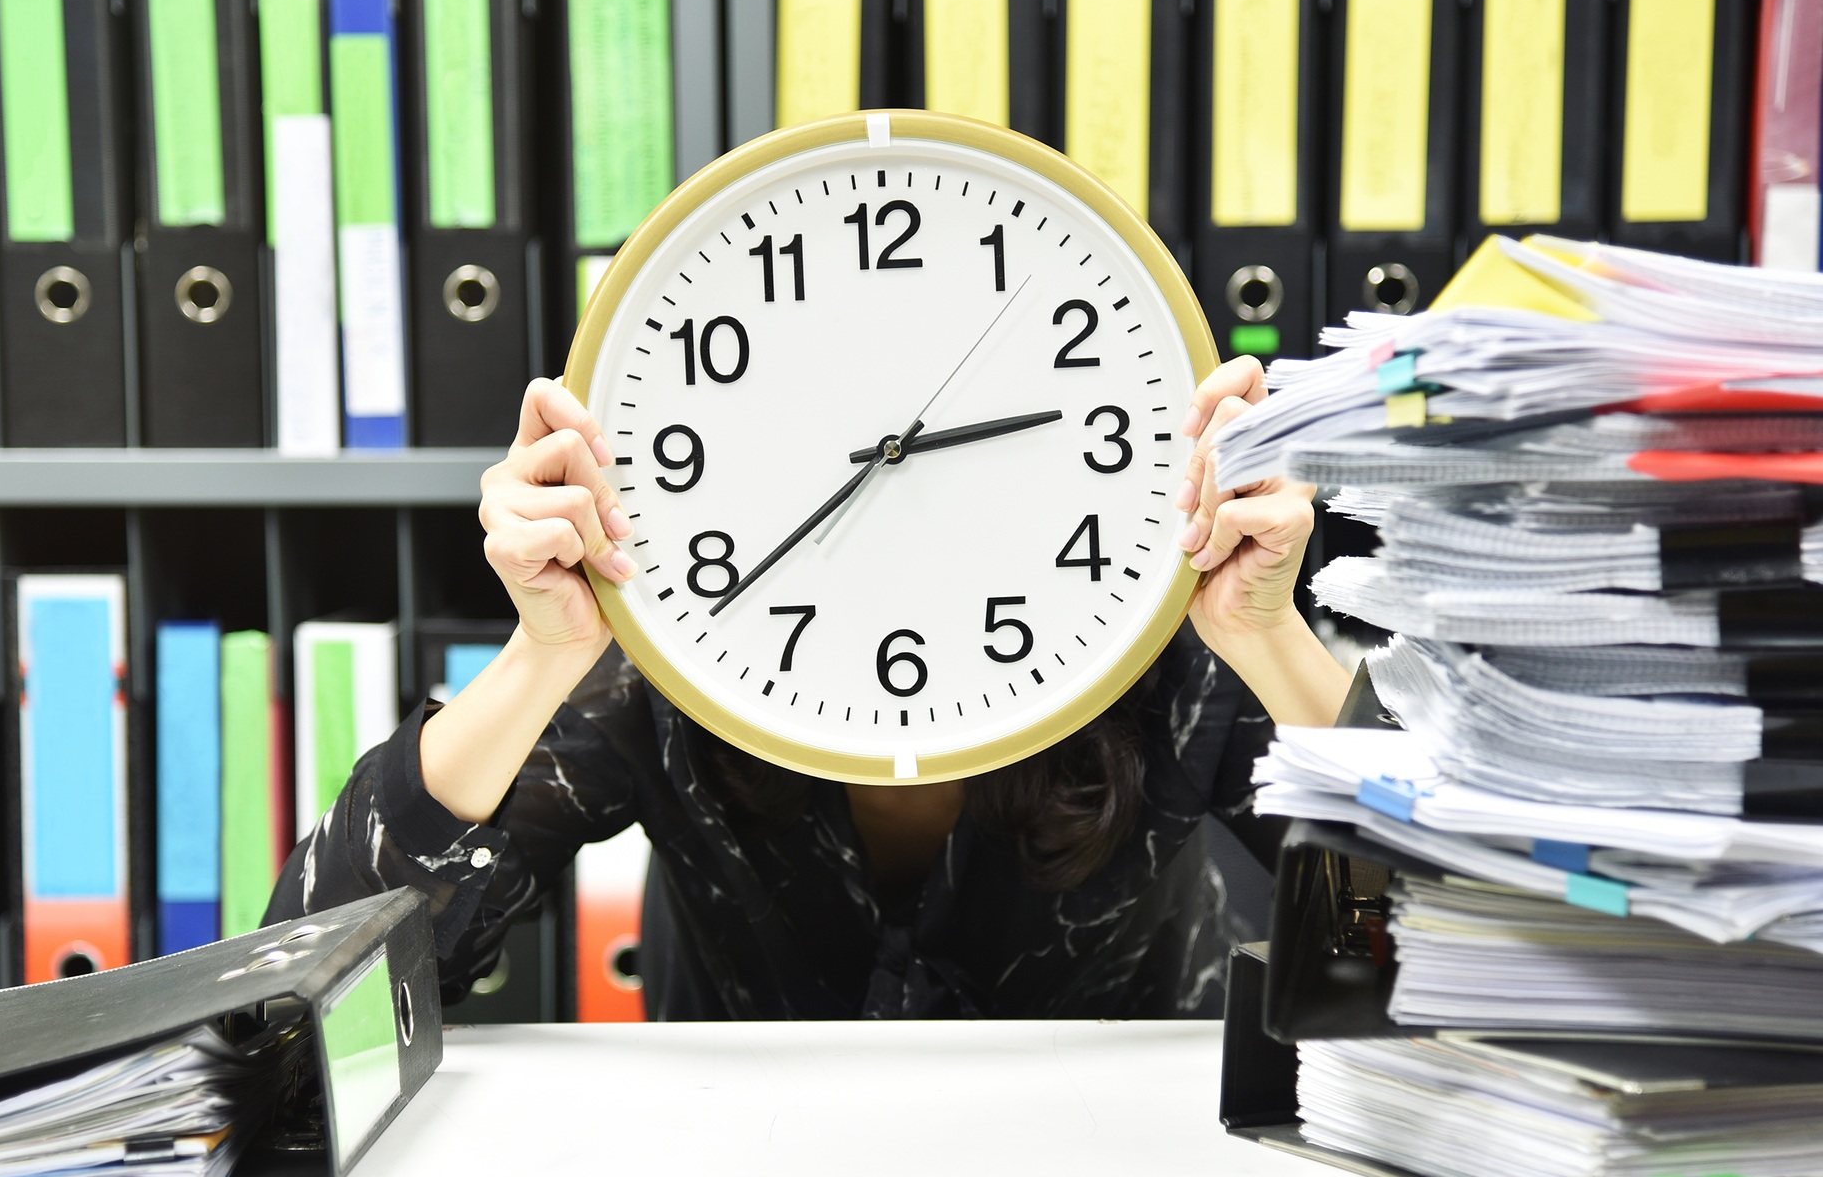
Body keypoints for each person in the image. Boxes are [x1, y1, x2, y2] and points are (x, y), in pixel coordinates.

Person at [265, 357, 1352, 1018]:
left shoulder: (1157, 646)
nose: (898, 468)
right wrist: (541, 653)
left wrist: (1267, 637)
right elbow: (304, 992)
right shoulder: (673, 664)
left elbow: (1440, 942)